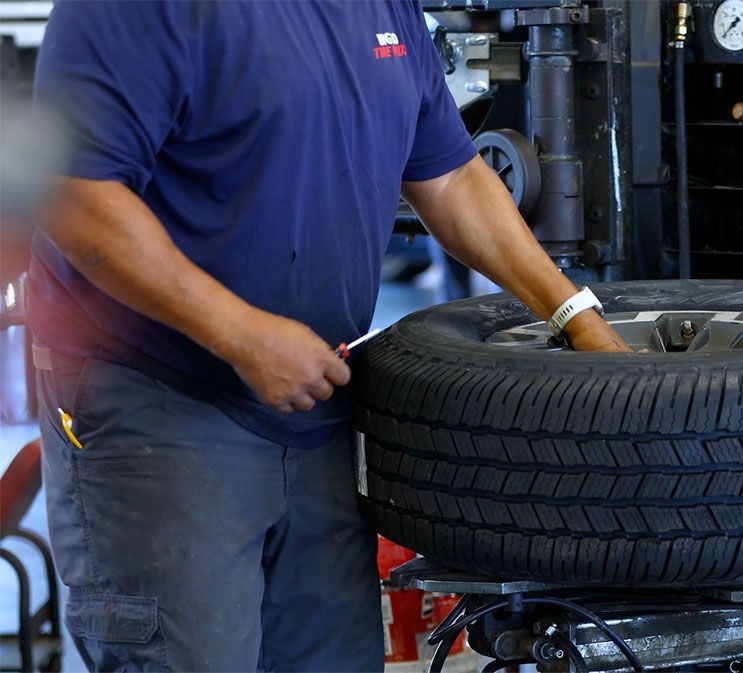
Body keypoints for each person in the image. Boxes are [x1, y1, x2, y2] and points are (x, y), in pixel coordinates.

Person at [28, 1, 629, 670]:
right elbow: (75, 197)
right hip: (158, 401)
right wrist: (241, 334)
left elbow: (451, 174)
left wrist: (577, 318)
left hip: (314, 401)